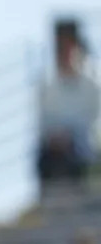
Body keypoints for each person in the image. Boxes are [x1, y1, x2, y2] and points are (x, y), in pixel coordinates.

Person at [37, 21, 100, 187]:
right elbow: (44, 123)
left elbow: (92, 122)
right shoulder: (48, 85)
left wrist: (70, 136)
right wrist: (57, 137)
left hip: (82, 148)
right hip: (53, 150)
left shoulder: (92, 84)